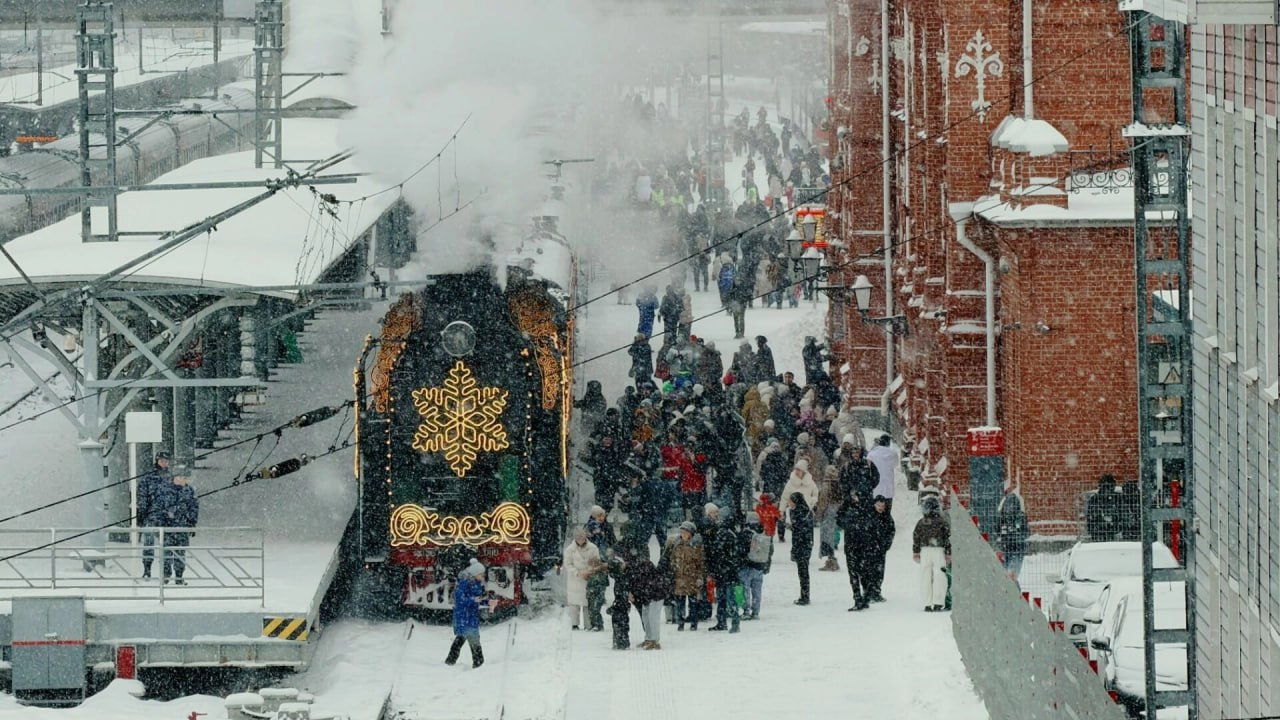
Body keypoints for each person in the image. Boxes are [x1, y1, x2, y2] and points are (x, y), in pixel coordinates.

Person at [156, 463, 199, 585]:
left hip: (182, 527)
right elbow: (158, 508)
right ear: (174, 478)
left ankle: (179, 575)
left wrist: (192, 524)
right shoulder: (165, 490)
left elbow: (194, 509)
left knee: (180, 553)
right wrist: (161, 521)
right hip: (167, 527)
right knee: (166, 553)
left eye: (184, 478)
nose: (181, 480)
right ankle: (165, 575)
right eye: (179, 477)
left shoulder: (189, 491)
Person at [624, 542, 669, 650]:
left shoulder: (644, 565)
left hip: (656, 594)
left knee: (653, 617)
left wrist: (636, 594)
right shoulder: (633, 567)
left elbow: (644, 584)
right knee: (646, 617)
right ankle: (648, 638)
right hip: (646, 596)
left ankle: (655, 641)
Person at [445, 559, 489, 667]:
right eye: (481, 574)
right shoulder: (464, 583)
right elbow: (460, 600)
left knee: (461, 638)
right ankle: (478, 663)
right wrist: (474, 600)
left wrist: (486, 600)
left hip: (470, 616)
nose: (483, 577)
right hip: (464, 616)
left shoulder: (476, 583)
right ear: (475, 574)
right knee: (473, 639)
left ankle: (450, 661)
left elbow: (477, 598)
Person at [136, 450, 171, 580]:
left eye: (166, 461)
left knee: (167, 545)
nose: (164, 463)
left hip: (167, 517)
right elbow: (142, 495)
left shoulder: (172, 477)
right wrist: (143, 511)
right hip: (152, 516)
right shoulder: (148, 478)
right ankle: (147, 569)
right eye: (162, 461)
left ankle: (166, 571)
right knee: (149, 543)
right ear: (157, 461)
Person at [706, 512, 743, 632]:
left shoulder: (721, 534)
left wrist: (714, 569)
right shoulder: (733, 534)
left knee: (724, 599)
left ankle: (725, 622)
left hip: (723, 573)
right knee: (730, 599)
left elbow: (716, 554)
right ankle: (732, 622)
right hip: (730, 573)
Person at [913, 496, 951, 612]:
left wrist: (916, 551)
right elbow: (947, 538)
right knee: (940, 576)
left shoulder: (921, 522)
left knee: (925, 576)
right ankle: (938, 602)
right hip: (939, 550)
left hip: (925, 550)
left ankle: (927, 603)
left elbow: (916, 537)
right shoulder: (942, 522)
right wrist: (948, 553)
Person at [666, 521, 705, 631]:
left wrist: (699, 577)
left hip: (692, 578)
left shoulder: (696, 546)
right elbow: (671, 559)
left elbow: (700, 564)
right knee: (680, 602)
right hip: (679, 578)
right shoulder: (676, 544)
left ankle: (693, 622)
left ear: (690, 533)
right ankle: (680, 622)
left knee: (693, 603)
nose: (682, 534)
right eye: (681, 532)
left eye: (685, 532)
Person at [738, 511, 772, 619]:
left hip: (746, 565)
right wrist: (766, 565)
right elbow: (770, 550)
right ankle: (756, 611)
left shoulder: (744, 534)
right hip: (759, 566)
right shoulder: (763, 533)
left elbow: (740, 550)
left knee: (745, 590)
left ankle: (746, 611)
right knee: (757, 590)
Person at [564, 528, 600, 630]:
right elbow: (568, 564)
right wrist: (577, 573)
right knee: (574, 603)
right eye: (578, 538)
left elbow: (597, 562)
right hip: (574, 580)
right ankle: (574, 624)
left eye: (582, 538)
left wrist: (589, 571)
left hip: (588, 578)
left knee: (588, 603)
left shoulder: (593, 548)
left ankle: (588, 624)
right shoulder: (570, 550)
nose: (581, 540)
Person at [863, 496, 895, 603]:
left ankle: (876, 591)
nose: (880, 508)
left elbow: (891, 531)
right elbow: (864, 531)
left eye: (882, 506)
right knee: (868, 570)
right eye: (878, 505)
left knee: (879, 571)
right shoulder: (868, 516)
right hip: (869, 549)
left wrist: (886, 544)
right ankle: (867, 592)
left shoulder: (887, 518)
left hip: (881, 549)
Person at [997, 489, 1030, 581]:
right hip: (1018, 543)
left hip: (1006, 543)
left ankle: (1007, 580)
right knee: (1015, 568)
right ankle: (1012, 577)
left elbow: (997, 528)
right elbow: (1026, 531)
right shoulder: (1020, 512)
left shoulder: (1002, 508)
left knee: (1006, 566)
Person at [788, 491, 814, 605]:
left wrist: (794, 528)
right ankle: (804, 594)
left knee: (803, 571)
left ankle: (805, 596)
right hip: (805, 544)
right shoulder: (805, 512)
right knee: (803, 571)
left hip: (802, 545)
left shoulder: (800, 513)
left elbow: (800, 531)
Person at [815, 466, 843, 572]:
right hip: (836, 512)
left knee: (827, 537)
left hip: (828, 512)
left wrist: (819, 514)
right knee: (832, 535)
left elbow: (823, 501)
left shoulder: (826, 484)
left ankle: (831, 561)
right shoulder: (839, 483)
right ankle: (832, 560)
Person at [866, 434, 898, 512]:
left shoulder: (871, 454)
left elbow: (868, 467)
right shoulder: (893, 454)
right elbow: (895, 464)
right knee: (886, 511)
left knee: (874, 511)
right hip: (888, 488)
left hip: (875, 487)